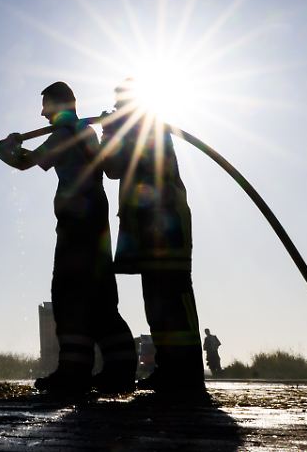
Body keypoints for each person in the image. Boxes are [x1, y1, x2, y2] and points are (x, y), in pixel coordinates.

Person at [0, 81, 137, 395]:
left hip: (76, 224)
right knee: (99, 298)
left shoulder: (64, 135)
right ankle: (120, 370)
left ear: (59, 106)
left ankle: (74, 372)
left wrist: (1, 149)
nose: (42, 114)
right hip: (96, 222)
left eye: (46, 106)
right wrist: (11, 147)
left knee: (68, 294)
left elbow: (26, 161)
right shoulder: (86, 133)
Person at [99, 79, 204, 393]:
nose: (118, 109)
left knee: (173, 298)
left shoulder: (148, 129)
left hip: (166, 228)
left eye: (121, 105)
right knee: (157, 301)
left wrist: (110, 134)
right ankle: (170, 369)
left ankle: (186, 375)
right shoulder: (138, 129)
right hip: (148, 229)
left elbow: (115, 166)